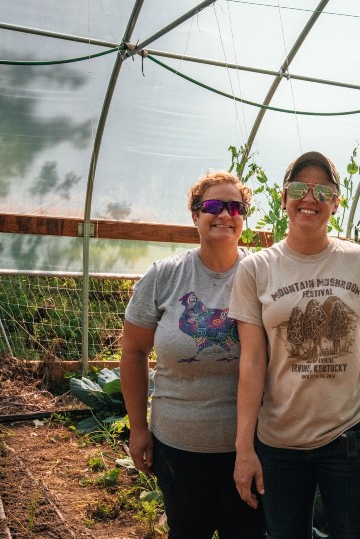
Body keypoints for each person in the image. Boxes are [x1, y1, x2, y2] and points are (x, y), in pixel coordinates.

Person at [230, 151, 360, 538]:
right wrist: (244, 448)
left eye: (322, 191)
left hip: (348, 436)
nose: (309, 198)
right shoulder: (256, 269)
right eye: (298, 188)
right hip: (279, 443)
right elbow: (251, 362)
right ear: (283, 198)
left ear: (335, 203)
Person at [120, 171, 267, 539]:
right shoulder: (164, 276)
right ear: (194, 216)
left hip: (252, 445)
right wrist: (138, 427)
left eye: (235, 207)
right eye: (213, 206)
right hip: (179, 445)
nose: (224, 214)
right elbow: (134, 351)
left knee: (247, 532)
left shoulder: (264, 274)